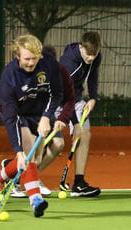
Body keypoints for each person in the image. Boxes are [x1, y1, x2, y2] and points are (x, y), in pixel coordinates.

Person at [0, 34, 63, 217]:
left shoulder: (48, 63)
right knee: (27, 157)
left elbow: (56, 93)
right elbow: (10, 120)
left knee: (35, 160)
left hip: (38, 113)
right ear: (17, 56)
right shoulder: (9, 79)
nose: (31, 62)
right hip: (18, 115)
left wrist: (46, 117)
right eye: (27, 59)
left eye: (35, 58)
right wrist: (18, 151)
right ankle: (36, 200)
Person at [59, 31, 102, 197]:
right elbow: (63, 96)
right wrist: (75, 123)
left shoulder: (95, 57)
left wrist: (93, 98)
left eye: (94, 54)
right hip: (57, 100)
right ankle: (14, 169)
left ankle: (79, 183)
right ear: (80, 47)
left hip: (75, 99)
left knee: (85, 135)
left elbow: (93, 77)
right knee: (51, 144)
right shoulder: (69, 63)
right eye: (88, 54)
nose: (91, 58)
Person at [35, 45, 77, 196]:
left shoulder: (61, 72)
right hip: (30, 114)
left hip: (49, 114)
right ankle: (11, 172)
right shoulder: (33, 71)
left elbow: (70, 99)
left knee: (59, 144)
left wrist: (63, 118)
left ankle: (34, 177)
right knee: (35, 148)